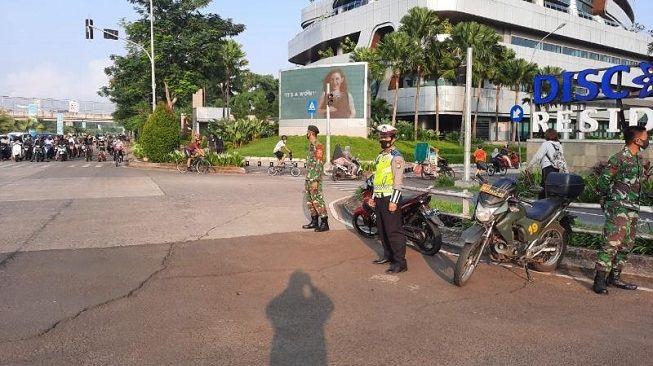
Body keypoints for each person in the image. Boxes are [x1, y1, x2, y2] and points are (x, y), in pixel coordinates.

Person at [592, 125, 648, 295]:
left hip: (632, 208)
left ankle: (614, 277)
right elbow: (603, 182)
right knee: (611, 242)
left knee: (626, 244)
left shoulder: (637, 158)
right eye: (645, 137)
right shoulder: (619, 158)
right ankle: (599, 279)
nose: (647, 140)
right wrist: (610, 200)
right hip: (618, 207)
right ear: (637, 140)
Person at [368, 124, 407, 274]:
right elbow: (377, 178)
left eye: (387, 137)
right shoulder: (380, 156)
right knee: (383, 230)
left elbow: (398, 181)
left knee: (393, 231)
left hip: (391, 198)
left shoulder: (396, 157)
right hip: (379, 198)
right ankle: (388, 255)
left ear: (393, 139)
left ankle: (400, 262)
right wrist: (373, 196)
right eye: (382, 137)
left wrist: (394, 201)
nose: (383, 139)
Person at [524, 128, 567, 199]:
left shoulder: (546, 144)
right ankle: (552, 201)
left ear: (547, 135)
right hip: (556, 168)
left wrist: (529, 166)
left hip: (547, 168)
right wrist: (566, 170)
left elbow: (538, 156)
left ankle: (543, 203)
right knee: (552, 185)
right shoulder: (559, 145)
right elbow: (562, 158)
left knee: (544, 185)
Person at [302, 125, 329, 232]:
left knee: (318, 199)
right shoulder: (311, 146)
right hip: (308, 178)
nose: (306, 134)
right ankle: (314, 221)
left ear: (311, 133)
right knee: (310, 200)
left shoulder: (318, 146)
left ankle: (324, 222)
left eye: (307, 132)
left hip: (314, 179)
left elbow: (319, 164)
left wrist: (316, 180)